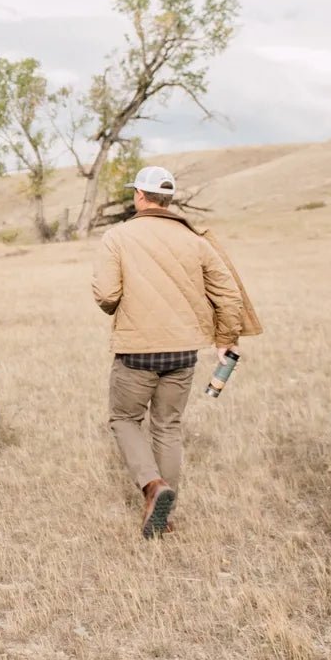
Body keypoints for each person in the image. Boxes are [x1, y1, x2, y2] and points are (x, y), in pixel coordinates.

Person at [91, 166, 257, 539]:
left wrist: (115, 305)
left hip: (137, 350)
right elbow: (228, 294)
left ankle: (153, 486)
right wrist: (226, 337)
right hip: (183, 352)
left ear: (139, 195)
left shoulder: (117, 236)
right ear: (168, 199)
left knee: (124, 419)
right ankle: (164, 519)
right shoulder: (196, 240)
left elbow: (106, 295)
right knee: (168, 426)